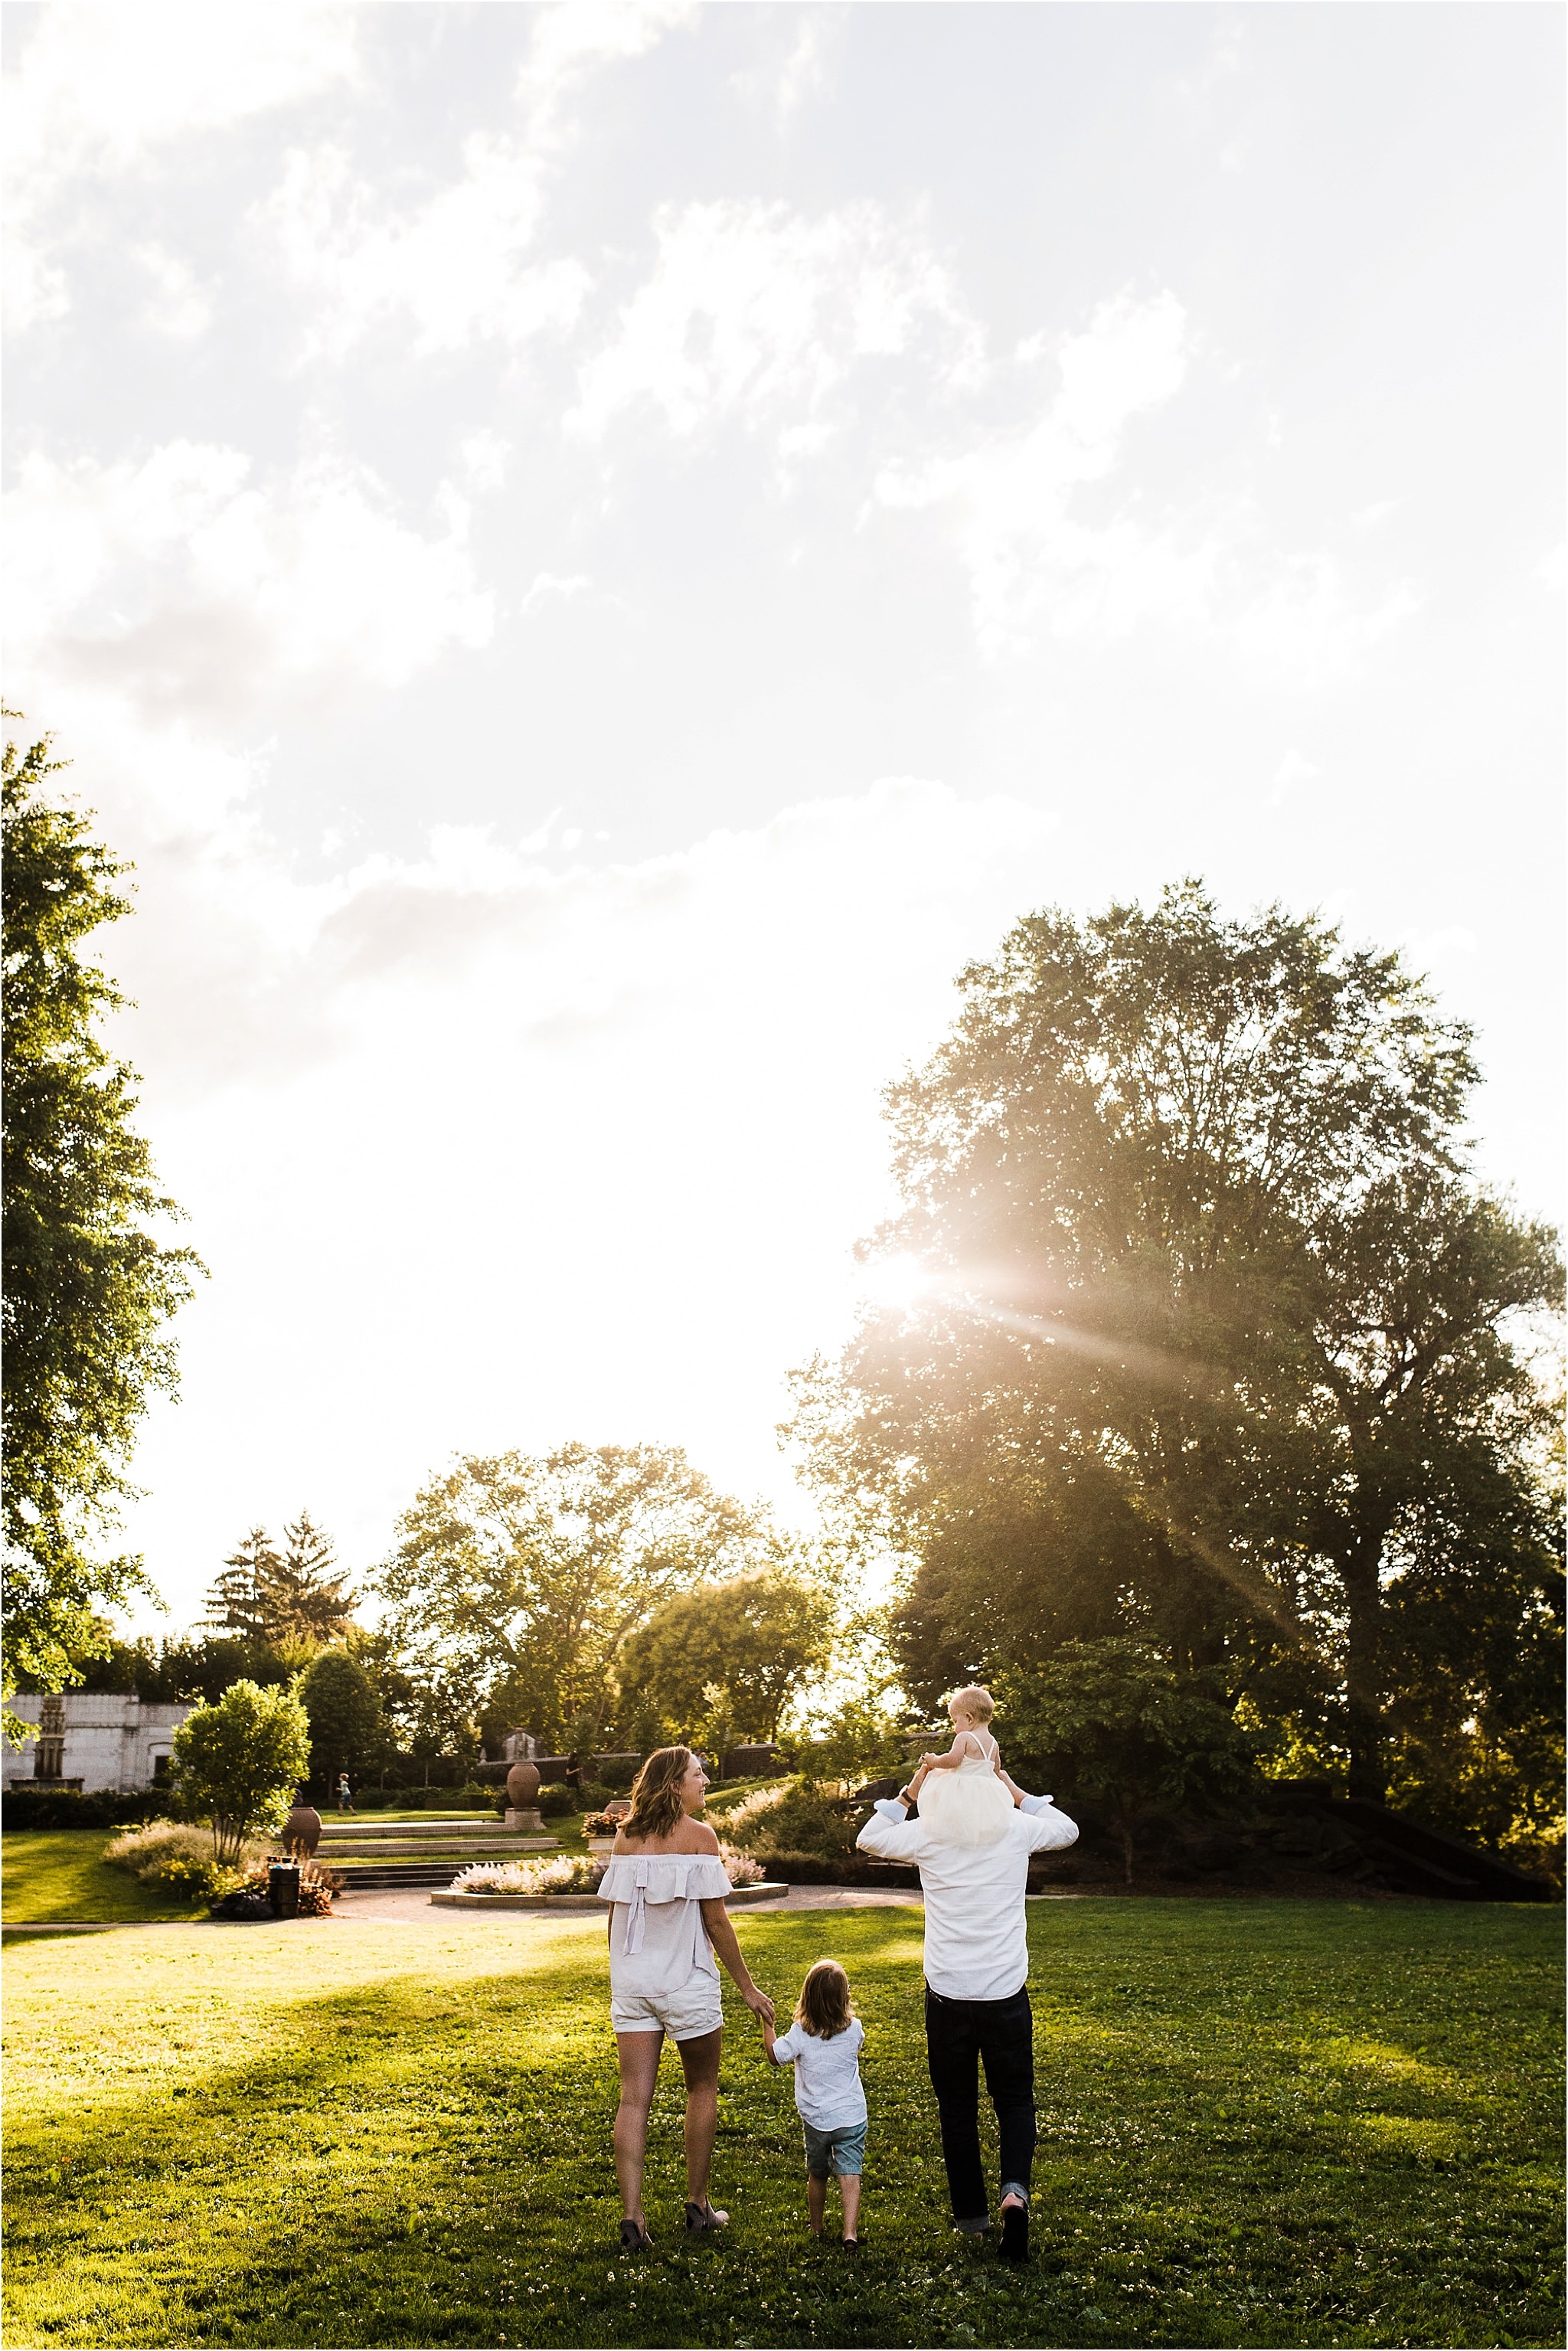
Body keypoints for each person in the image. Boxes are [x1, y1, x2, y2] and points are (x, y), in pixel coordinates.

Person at [856, 1758, 1078, 2262]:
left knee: (957, 2108)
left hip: (949, 1996)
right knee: (1015, 2101)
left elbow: (869, 1837)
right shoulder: (1016, 1830)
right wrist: (1012, 1785)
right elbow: (1067, 1829)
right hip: (1004, 1993)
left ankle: (972, 2216)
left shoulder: (928, 1835)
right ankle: (1015, 2193)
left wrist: (910, 1790)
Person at [599, 1744, 774, 2254]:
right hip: (687, 1984)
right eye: (699, 1775)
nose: (706, 1782)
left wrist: (622, 1974)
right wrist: (747, 1986)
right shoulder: (700, 1838)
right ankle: (698, 2207)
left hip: (632, 1984)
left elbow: (613, 1916)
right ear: (675, 1783)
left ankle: (633, 2218)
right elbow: (716, 1920)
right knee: (702, 2088)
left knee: (633, 2098)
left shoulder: (625, 1837)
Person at [763, 1958, 867, 2249]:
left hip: (817, 2121)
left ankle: (817, 2227)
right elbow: (859, 2044)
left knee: (818, 2174)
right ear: (844, 1997)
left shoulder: (800, 2034)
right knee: (850, 2174)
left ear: (806, 1997)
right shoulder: (854, 2028)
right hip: (851, 2118)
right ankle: (850, 2232)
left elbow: (775, 2056)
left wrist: (768, 2024)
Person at [903, 1685, 1024, 1848]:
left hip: (963, 1794)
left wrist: (934, 1760)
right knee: (981, 1828)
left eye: (955, 1721)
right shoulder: (993, 1743)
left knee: (952, 1811)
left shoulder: (965, 1737)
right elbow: (995, 1771)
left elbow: (953, 1760)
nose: (954, 1729)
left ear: (969, 1718)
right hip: (988, 1796)